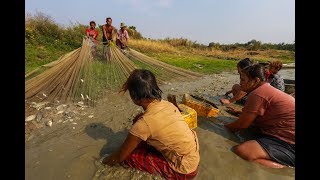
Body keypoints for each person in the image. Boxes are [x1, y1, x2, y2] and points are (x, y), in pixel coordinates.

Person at [102, 69, 200, 179]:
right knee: (138, 119)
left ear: (134, 97)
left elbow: (119, 156)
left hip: (183, 172)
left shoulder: (143, 124)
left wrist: (104, 161)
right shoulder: (167, 104)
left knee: (129, 158)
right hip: (193, 158)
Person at [224, 64, 295, 168]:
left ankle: (285, 166)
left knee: (243, 151)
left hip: (290, 143)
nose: (240, 83)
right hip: (285, 133)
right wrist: (241, 113)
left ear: (256, 81)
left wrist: (222, 127)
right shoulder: (265, 89)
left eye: (243, 80)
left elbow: (241, 125)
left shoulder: (258, 93)